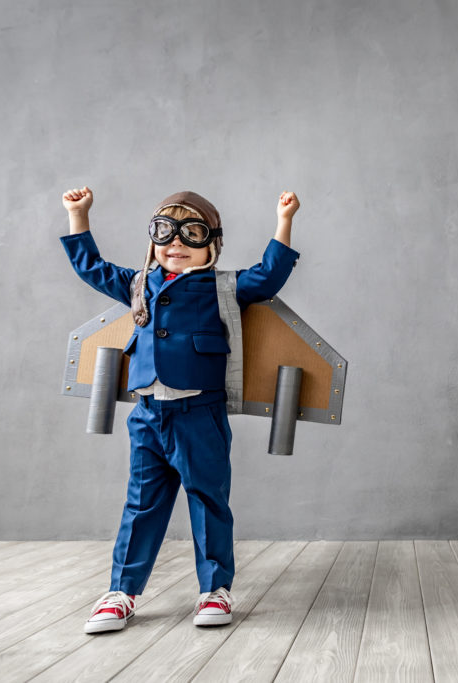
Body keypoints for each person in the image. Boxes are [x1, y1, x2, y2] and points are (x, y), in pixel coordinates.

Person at [60, 186, 300, 633]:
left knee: (208, 500)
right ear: (152, 241)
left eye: (191, 234)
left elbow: (268, 276)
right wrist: (79, 216)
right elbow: (91, 268)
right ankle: (122, 592)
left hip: (199, 414)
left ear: (212, 244)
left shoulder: (223, 286)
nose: (176, 244)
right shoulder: (138, 283)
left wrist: (283, 221)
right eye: (165, 234)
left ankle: (215, 590)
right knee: (141, 504)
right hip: (148, 414)